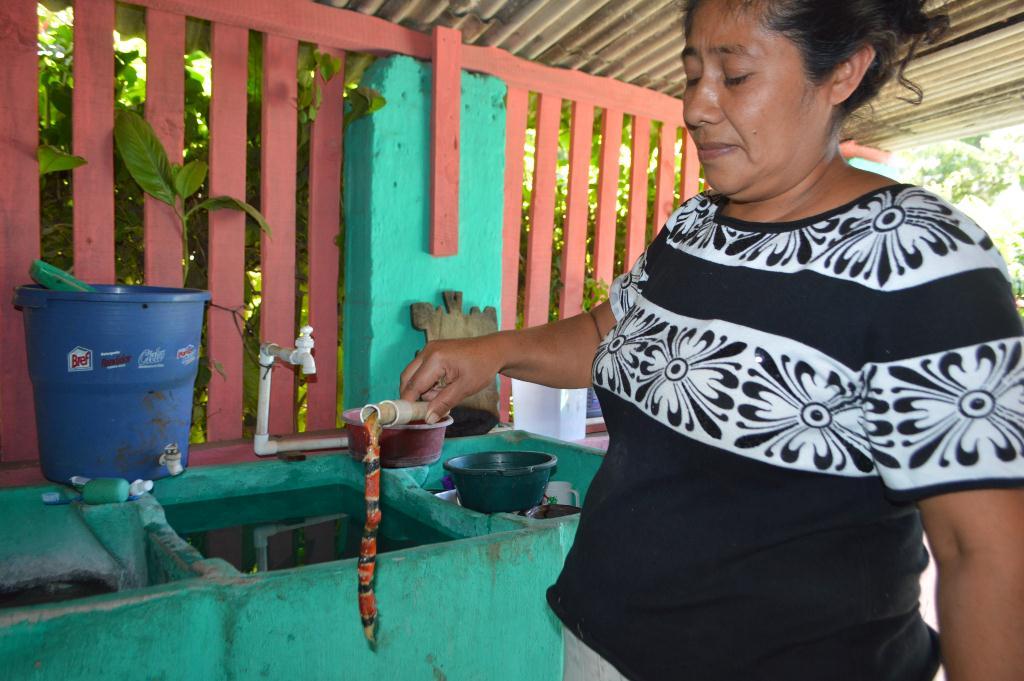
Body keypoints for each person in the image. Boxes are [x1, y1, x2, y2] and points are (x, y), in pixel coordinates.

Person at [399, 0, 1024, 678]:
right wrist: (492, 351)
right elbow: (612, 334)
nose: (697, 107)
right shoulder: (696, 227)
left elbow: (982, 554)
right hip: (602, 646)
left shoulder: (921, 258)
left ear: (842, 71)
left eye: (735, 76)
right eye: (692, 74)